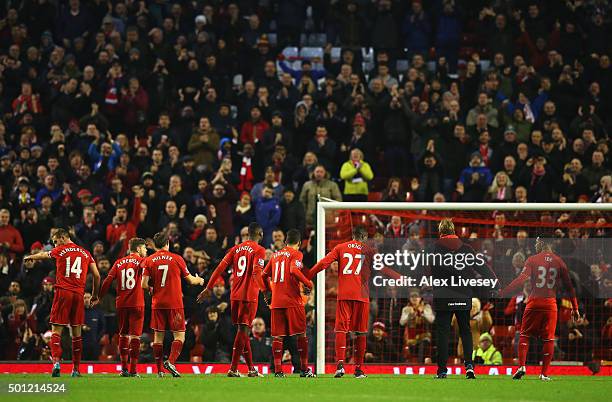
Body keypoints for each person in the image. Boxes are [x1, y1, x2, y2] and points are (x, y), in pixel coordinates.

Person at [306, 226, 399, 378]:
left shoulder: (340, 247)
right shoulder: (369, 250)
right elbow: (383, 269)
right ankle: (358, 370)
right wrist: (400, 278)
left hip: (344, 294)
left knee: (341, 329)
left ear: (353, 236)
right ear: (364, 237)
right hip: (362, 296)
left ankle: (340, 366)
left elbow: (323, 263)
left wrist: (308, 276)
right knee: (361, 332)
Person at [500, 235, 581, 381]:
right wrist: (575, 308)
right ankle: (544, 374)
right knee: (548, 339)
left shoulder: (532, 259)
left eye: (537, 242)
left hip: (534, 302)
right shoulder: (559, 262)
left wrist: (503, 292)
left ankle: (522, 366)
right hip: (550, 305)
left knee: (524, 334)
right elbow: (570, 288)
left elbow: (520, 280)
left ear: (542, 243)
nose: (535, 245)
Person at [24, 228, 101, 377]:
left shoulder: (60, 250)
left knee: (56, 331)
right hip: (79, 294)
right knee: (76, 333)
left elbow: (44, 255)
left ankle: (57, 363)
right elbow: (97, 276)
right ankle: (76, 369)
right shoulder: (86, 253)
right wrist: (94, 295)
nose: (54, 245)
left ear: (62, 238)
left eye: (55, 241)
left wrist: (31, 256)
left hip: (63, 292)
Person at [197, 222, 267, 377]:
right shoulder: (260, 250)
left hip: (234, 296)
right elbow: (256, 272)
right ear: (260, 234)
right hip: (249, 296)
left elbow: (219, 269)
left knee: (243, 331)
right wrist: (266, 290)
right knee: (243, 331)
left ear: (248, 234)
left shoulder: (235, 249)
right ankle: (233, 369)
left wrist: (209, 288)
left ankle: (251, 369)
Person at [429, 218, 496, 380]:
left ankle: (442, 371)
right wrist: (494, 282)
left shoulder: (433, 249)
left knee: (443, 333)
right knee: (465, 331)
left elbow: (429, 270)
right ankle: (469, 368)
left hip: (443, 295)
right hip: (463, 294)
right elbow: (482, 268)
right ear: (453, 231)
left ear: (440, 232)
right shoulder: (466, 249)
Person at [141, 232, 205, 377]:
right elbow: (190, 280)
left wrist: (152, 289)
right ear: (167, 243)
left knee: (158, 338)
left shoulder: (149, 260)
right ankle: (170, 361)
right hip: (174, 303)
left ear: (155, 245)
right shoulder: (177, 259)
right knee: (179, 336)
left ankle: (159, 371)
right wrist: (200, 280)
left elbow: (143, 284)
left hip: (157, 303)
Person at [261, 229, 315, 377]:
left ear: (285, 242)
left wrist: (267, 292)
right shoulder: (297, 254)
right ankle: (304, 369)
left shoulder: (275, 256)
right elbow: (294, 270)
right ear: (298, 243)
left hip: (277, 302)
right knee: (301, 334)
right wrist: (308, 283)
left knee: (278, 337)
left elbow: (263, 275)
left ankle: (278, 371)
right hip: (292, 301)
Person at [98, 237, 148, 376]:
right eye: (144, 248)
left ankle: (124, 368)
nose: (145, 251)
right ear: (138, 249)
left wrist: (99, 297)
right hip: (136, 303)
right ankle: (133, 370)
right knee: (135, 337)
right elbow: (147, 271)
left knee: (123, 335)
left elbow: (107, 280)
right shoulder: (142, 261)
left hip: (121, 304)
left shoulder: (119, 262)